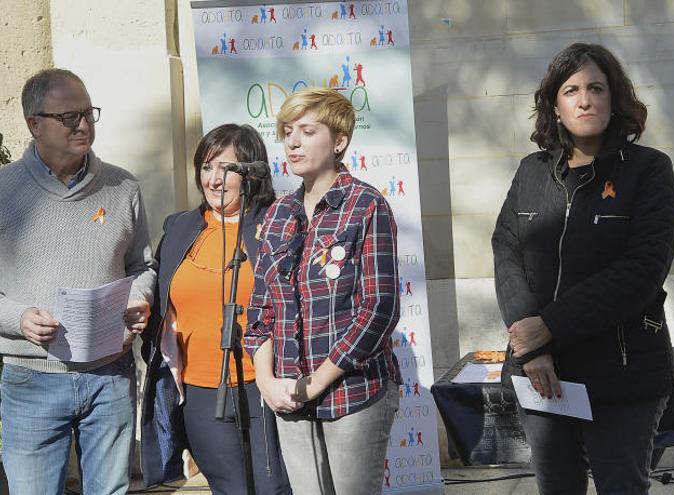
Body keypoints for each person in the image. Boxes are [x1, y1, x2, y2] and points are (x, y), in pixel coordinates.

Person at [492, 43, 674, 494]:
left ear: (614, 99)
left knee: (621, 486)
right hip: (542, 370)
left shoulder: (650, 170)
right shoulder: (531, 172)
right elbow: (506, 252)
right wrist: (530, 342)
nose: (584, 99)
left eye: (596, 87)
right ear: (554, 106)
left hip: (622, 369)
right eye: (571, 89)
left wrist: (548, 326)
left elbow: (641, 270)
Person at [0, 68, 156, 495]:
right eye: (69, 117)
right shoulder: (3, 191)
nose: (84, 125)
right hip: (31, 378)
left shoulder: (122, 186)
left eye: (88, 113)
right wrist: (18, 318)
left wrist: (140, 300)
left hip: (110, 374)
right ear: (34, 124)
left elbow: (143, 267)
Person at [245, 87, 401, 495]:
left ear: (340, 141)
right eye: (287, 131)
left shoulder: (366, 205)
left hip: (353, 393)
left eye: (308, 131)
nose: (293, 141)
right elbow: (260, 311)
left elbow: (378, 310)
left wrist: (315, 382)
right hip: (288, 398)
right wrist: (267, 381)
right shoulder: (278, 213)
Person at [140, 124, 291, 494]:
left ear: (252, 174)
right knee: (231, 488)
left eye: (227, 168)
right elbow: (158, 301)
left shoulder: (279, 224)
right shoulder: (179, 228)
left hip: (267, 385)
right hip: (202, 389)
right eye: (207, 167)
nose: (214, 179)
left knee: (274, 489)